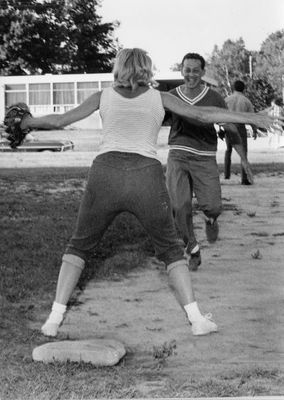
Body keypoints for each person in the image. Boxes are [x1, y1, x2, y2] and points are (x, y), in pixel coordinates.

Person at [19, 48, 277, 339]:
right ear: (146, 70)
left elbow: (59, 121)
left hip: (105, 173)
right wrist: (251, 118)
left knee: (78, 246)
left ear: (119, 68)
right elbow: (204, 115)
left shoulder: (102, 96)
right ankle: (196, 320)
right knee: (169, 249)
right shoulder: (161, 97)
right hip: (146, 176)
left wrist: (25, 123)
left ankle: (53, 320)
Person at [165, 53, 253, 271]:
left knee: (213, 207)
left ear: (203, 72)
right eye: (187, 69)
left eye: (196, 70)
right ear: (181, 71)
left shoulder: (214, 97)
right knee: (179, 206)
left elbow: (230, 128)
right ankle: (192, 248)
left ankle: (211, 219)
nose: (191, 74)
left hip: (204, 158)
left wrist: (243, 160)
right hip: (178, 155)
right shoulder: (171, 96)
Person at [224, 80, 257, 184]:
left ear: (233, 88)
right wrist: (254, 129)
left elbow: (220, 113)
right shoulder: (246, 101)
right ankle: (244, 178)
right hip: (240, 126)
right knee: (243, 153)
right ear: (244, 89)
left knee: (228, 150)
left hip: (228, 125)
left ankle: (226, 174)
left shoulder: (227, 100)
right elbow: (251, 117)